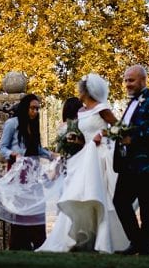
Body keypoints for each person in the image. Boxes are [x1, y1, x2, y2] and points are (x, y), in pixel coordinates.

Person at [37, 73, 130, 253]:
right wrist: (76, 140)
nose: (78, 92)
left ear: (87, 91)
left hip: (101, 155)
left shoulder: (102, 108)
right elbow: (83, 135)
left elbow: (120, 128)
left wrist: (102, 134)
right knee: (80, 195)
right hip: (85, 155)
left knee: (100, 195)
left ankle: (105, 240)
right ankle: (80, 238)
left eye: (80, 89)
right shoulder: (80, 112)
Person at [112, 64, 149, 256]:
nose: (127, 84)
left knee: (146, 206)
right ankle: (136, 241)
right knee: (119, 201)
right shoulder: (132, 102)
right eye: (126, 80)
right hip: (129, 163)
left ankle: (147, 248)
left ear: (143, 80)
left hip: (148, 163)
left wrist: (132, 138)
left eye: (131, 80)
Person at [0, 93, 53, 250]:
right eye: (32, 108)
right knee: (21, 207)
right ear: (25, 107)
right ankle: (19, 244)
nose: (35, 111)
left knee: (36, 205)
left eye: (37, 109)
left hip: (32, 172)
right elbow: (2, 148)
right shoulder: (12, 123)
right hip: (18, 171)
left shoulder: (33, 125)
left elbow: (36, 149)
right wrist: (12, 154)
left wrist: (50, 155)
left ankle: (39, 242)